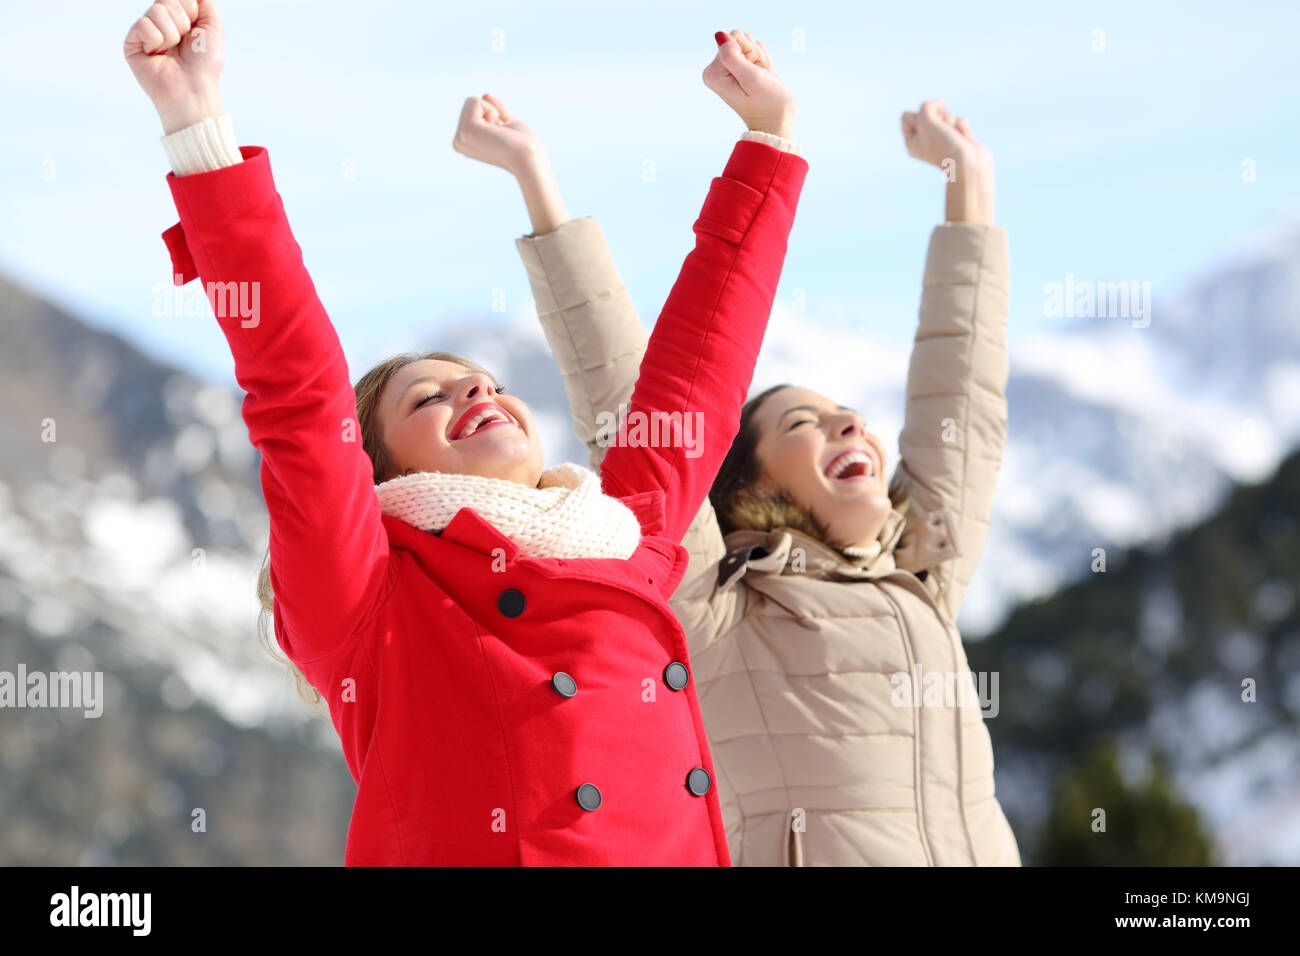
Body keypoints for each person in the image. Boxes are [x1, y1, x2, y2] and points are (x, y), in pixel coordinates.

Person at [124, 2, 808, 865]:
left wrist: (769, 140)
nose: (475, 390)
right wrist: (197, 126)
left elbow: (702, 369)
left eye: (482, 381)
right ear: (377, 473)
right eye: (428, 400)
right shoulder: (372, 598)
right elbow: (297, 395)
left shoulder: (621, 537)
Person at [460, 32, 1019, 865]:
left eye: (844, 415)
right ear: (750, 487)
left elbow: (962, 400)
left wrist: (967, 187)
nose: (847, 425)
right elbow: (631, 402)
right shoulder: (720, 612)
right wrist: (534, 177)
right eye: (802, 423)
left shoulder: (923, 573)